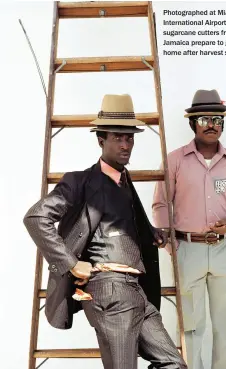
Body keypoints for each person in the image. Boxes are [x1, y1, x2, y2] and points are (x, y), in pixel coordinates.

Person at [23, 94, 187, 369]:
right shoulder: (80, 182)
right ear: (101, 140)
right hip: (110, 290)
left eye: (130, 138)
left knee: (173, 363)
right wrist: (71, 264)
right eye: (118, 138)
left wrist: (150, 234)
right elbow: (35, 217)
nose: (126, 145)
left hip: (137, 292)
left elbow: (123, 220)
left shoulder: (124, 180)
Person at [152, 89, 226, 369]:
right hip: (188, 251)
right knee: (190, 330)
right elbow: (161, 204)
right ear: (192, 123)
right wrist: (173, 246)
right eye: (204, 119)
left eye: (217, 119)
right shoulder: (174, 161)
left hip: (225, 252)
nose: (212, 124)